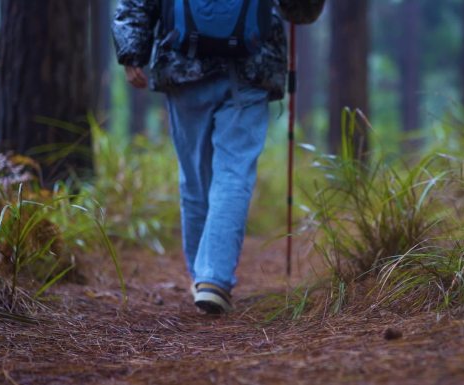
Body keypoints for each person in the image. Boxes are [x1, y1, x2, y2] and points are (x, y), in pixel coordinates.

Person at [112, 0, 324, 314]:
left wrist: (133, 53)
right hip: (251, 67)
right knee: (234, 173)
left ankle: (203, 278)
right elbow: (301, 12)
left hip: (183, 65)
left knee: (196, 179)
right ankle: (214, 278)